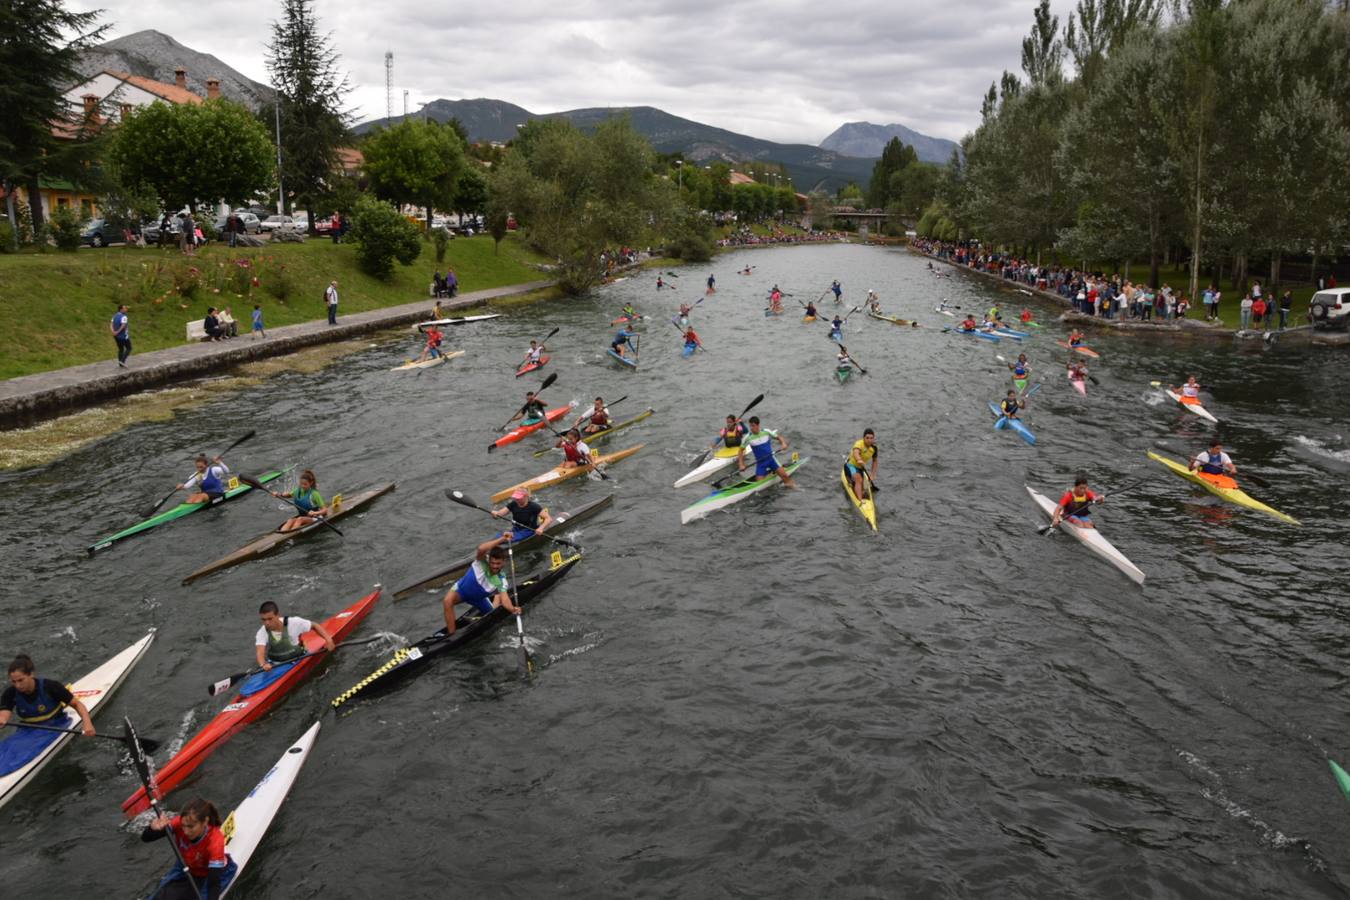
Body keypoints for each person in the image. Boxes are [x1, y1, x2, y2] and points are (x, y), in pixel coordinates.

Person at [142, 797, 236, 899]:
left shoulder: (215, 841)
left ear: (205, 822)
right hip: (186, 865)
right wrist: (152, 829)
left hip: (211, 873)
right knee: (158, 896)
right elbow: (145, 838)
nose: (186, 831)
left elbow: (213, 884)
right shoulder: (179, 822)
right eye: (183, 826)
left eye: (191, 827)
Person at [0, 653, 96, 736]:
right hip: (28, 730)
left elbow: (77, 704)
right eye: (14, 682)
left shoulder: (51, 686)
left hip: (57, 724)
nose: (17, 685)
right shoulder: (10, 693)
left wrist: (87, 723)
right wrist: (2, 720)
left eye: (21, 680)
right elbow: (4, 715)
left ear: (31, 674)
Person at [442, 545, 519, 635]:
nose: (494, 566)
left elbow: (505, 599)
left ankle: (497, 597)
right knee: (447, 601)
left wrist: (513, 609)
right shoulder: (480, 562)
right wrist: (502, 539)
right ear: (489, 560)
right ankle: (451, 635)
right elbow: (481, 548)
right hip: (461, 591)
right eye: (492, 563)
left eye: (498, 564)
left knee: (492, 616)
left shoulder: (501, 580)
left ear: (503, 562)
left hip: (478, 599)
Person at [255, 599, 335, 670]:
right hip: (276, 663)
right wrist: (263, 664)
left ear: (277, 615)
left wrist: (329, 640)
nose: (267, 623)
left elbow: (314, 625)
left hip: (298, 658)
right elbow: (260, 652)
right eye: (263, 619)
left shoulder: (294, 622)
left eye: (270, 619)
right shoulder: (262, 632)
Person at [478, 488, 555, 555]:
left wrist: (541, 528)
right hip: (516, 529)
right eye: (515, 497)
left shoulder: (534, 506)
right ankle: (487, 549)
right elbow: (500, 514)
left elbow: (548, 518)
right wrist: (495, 514)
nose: (516, 499)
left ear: (526, 497)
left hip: (528, 530)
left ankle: (492, 550)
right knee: (497, 537)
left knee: (505, 539)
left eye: (519, 498)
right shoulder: (513, 504)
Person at [737, 416, 797, 488]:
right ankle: (769, 473)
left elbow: (778, 437)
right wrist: (741, 464)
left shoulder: (766, 431)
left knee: (785, 476)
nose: (751, 428)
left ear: (758, 425)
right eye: (750, 426)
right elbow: (740, 450)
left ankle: (794, 487)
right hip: (761, 463)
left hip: (771, 460)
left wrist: (783, 443)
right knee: (759, 486)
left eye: (753, 426)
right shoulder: (748, 437)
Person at [263, 469, 329, 532]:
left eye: (305, 484)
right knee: (290, 520)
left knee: (299, 519)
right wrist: (278, 494)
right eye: (301, 484)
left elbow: (325, 510)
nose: (302, 486)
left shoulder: (314, 494)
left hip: (315, 517)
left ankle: (291, 534)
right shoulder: (298, 490)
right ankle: (282, 535)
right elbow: (288, 495)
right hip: (303, 516)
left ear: (311, 483)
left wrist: (314, 513)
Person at [844, 428, 878, 502]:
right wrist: (859, 459)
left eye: (871, 438)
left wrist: (872, 474)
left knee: (861, 482)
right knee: (858, 479)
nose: (869, 440)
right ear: (863, 438)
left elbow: (875, 461)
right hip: (850, 465)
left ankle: (855, 484)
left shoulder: (874, 448)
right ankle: (860, 501)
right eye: (867, 438)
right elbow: (856, 452)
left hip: (860, 468)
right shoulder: (859, 443)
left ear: (873, 439)